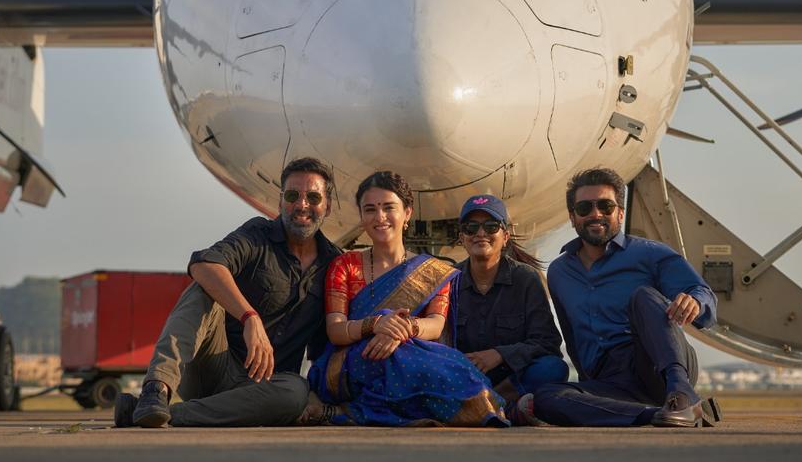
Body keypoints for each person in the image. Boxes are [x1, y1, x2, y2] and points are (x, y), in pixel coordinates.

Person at [114, 157, 343, 428]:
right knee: (204, 288)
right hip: (212, 367)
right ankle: (156, 389)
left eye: (313, 197)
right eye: (293, 195)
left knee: (296, 392)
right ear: (281, 200)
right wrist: (249, 317)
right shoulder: (258, 234)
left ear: (327, 206)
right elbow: (203, 264)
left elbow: (325, 346)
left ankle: (162, 413)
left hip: (265, 388)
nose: (302, 205)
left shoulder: (334, 264)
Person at [304, 171, 509, 427]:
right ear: (362, 216)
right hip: (350, 361)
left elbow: (435, 325)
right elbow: (336, 331)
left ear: (407, 213)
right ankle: (351, 410)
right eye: (370, 209)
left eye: (389, 207)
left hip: (411, 352)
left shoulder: (433, 270)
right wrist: (376, 324)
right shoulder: (344, 265)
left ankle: (346, 413)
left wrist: (401, 329)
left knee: (456, 368)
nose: (380, 217)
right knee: (399, 361)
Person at [527, 167, 720, 429]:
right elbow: (572, 337)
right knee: (546, 398)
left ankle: (681, 396)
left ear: (620, 212)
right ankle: (656, 414)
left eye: (605, 206)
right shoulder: (559, 272)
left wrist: (695, 301)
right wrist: (587, 388)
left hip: (658, 364)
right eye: (585, 208)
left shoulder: (650, 254)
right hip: (611, 380)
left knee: (643, 296)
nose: (596, 213)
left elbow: (705, 297)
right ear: (573, 218)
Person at [452, 194, 568, 407]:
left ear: (505, 236)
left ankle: (491, 404)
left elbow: (548, 342)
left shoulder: (525, 279)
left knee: (553, 368)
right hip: (464, 377)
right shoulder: (449, 280)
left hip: (511, 379)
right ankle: (502, 408)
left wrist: (500, 355)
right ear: (462, 237)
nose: (480, 233)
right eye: (471, 228)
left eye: (490, 226)